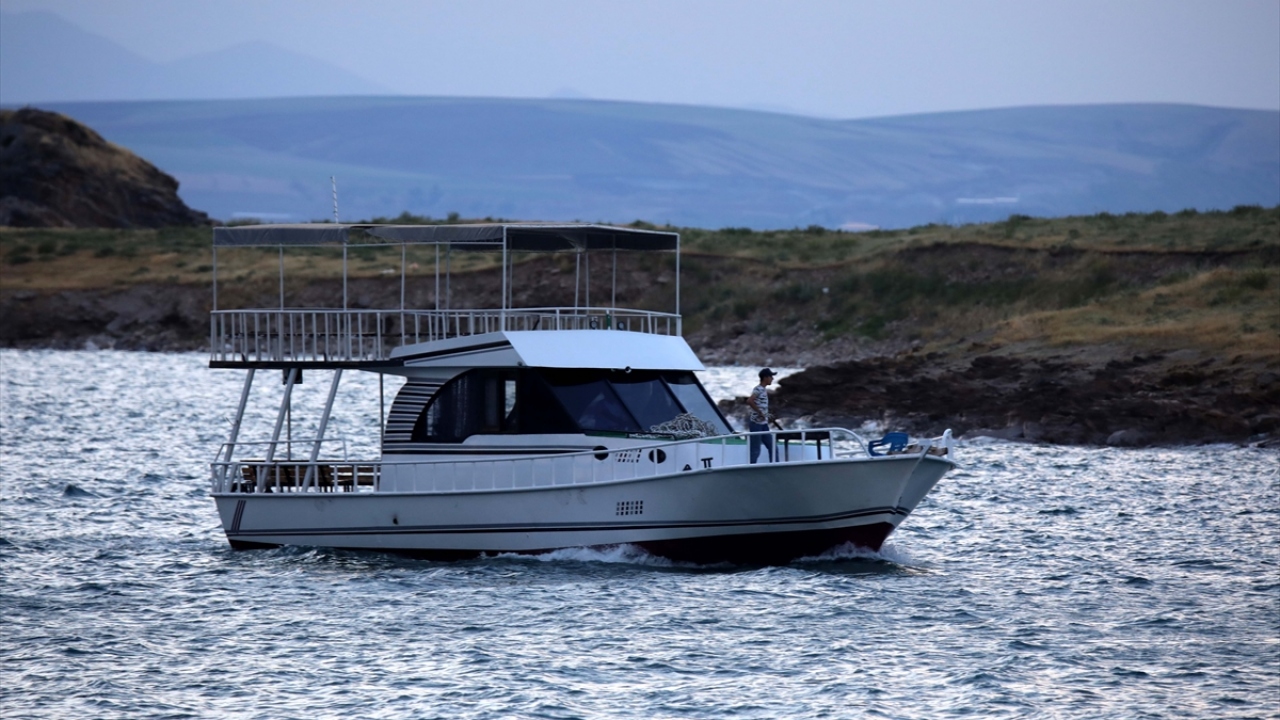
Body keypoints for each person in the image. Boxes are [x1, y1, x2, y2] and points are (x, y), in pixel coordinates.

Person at [747, 368, 775, 464]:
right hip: (756, 424)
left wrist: (766, 415)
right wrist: (760, 412)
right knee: (755, 450)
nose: (772, 379)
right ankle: (751, 469)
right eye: (771, 376)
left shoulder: (763, 390)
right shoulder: (758, 389)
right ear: (765, 377)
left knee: (773, 447)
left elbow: (761, 405)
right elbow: (750, 400)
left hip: (764, 424)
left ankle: (776, 466)